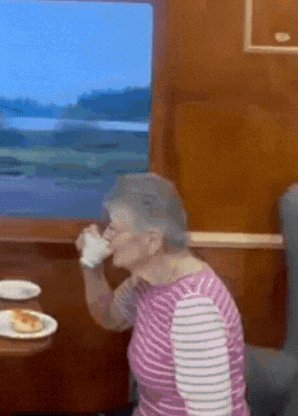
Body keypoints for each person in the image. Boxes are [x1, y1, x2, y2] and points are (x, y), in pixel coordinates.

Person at [76, 173, 250, 416]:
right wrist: (91, 264)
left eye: (115, 229)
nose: (106, 237)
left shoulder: (194, 308)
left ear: (152, 240)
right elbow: (109, 317)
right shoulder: (148, 282)